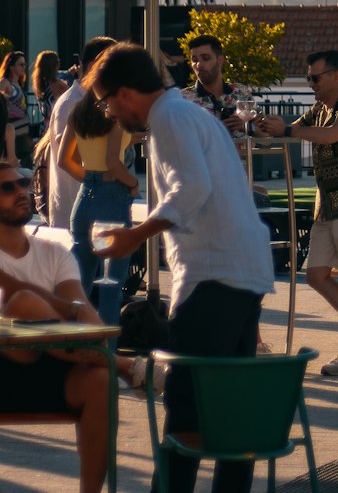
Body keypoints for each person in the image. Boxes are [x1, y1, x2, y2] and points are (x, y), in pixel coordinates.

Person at [88, 42, 274, 493]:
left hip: (213, 275)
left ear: (126, 92)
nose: (110, 113)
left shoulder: (168, 117)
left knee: (185, 410)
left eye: (107, 102)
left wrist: (136, 234)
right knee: (228, 412)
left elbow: (191, 188)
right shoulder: (190, 113)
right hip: (243, 270)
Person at [257, 49, 338, 380]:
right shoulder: (319, 109)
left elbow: (331, 135)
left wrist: (287, 131)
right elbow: (291, 129)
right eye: (308, 78)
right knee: (316, 275)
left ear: (335, 76)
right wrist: (264, 126)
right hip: (327, 205)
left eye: (315, 78)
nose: (311, 84)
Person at [0, 158, 113, 493]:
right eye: (7, 188)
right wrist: (68, 312)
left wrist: (95, 339)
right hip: (5, 370)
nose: (21, 192)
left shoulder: (54, 253)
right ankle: (123, 365)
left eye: (22, 183)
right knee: (23, 303)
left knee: (100, 378)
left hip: (56, 368)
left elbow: (84, 313)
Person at [57, 85, 137, 319]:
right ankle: (106, 352)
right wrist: (132, 183)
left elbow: (65, 160)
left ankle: (71, 347)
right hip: (111, 201)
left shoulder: (79, 114)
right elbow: (113, 162)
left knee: (78, 289)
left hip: (84, 201)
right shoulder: (115, 117)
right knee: (110, 289)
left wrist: (92, 179)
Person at [47, 37, 116, 231]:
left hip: (90, 212)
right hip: (75, 217)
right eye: (114, 63)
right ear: (95, 65)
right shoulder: (72, 103)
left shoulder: (91, 101)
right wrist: (102, 186)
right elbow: (68, 158)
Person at [184, 34, 240, 131]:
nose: (199, 65)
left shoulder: (240, 93)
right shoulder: (183, 100)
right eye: (194, 60)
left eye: (205, 58)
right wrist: (217, 129)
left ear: (220, 60)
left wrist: (247, 126)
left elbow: (265, 138)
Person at [0, 49, 32, 163]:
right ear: (11, 67)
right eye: (21, 64)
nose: (24, 67)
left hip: (24, 136)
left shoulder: (19, 85)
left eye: (25, 64)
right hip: (13, 136)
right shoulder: (5, 83)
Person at [32, 50, 69, 132]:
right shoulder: (58, 85)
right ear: (54, 66)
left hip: (44, 126)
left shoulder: (40, 84)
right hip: (56, 126)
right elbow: (72, 96)